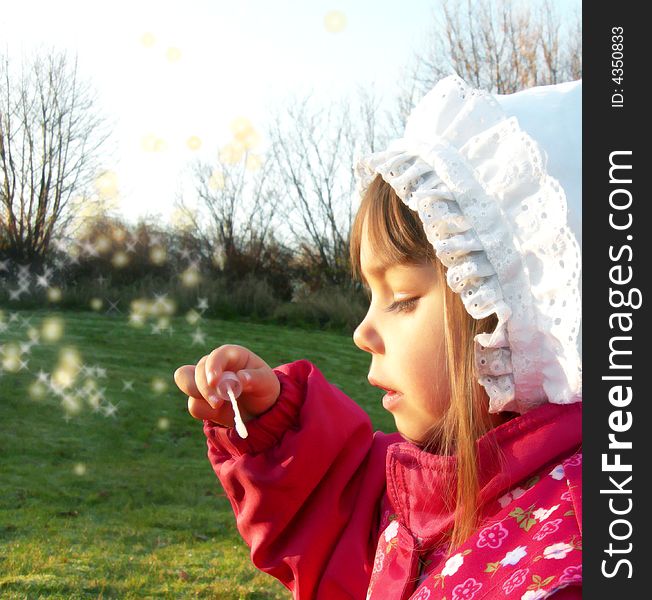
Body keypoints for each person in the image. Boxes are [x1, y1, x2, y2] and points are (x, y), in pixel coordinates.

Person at [174, 74, 582, 599]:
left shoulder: (570, 559)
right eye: (371, 294)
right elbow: (343, 528)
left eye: (403, 298)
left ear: (514, 313)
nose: (363, 331)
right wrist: (273, 426)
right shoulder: (432, 489)